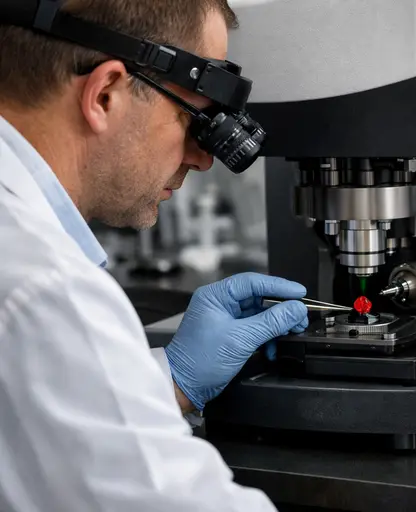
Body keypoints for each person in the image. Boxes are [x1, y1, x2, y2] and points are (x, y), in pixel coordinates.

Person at [0, 1, 308, 510]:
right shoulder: (45, 291)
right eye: (196, 120)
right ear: (104, 94)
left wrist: (173, 379)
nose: (204, 158)